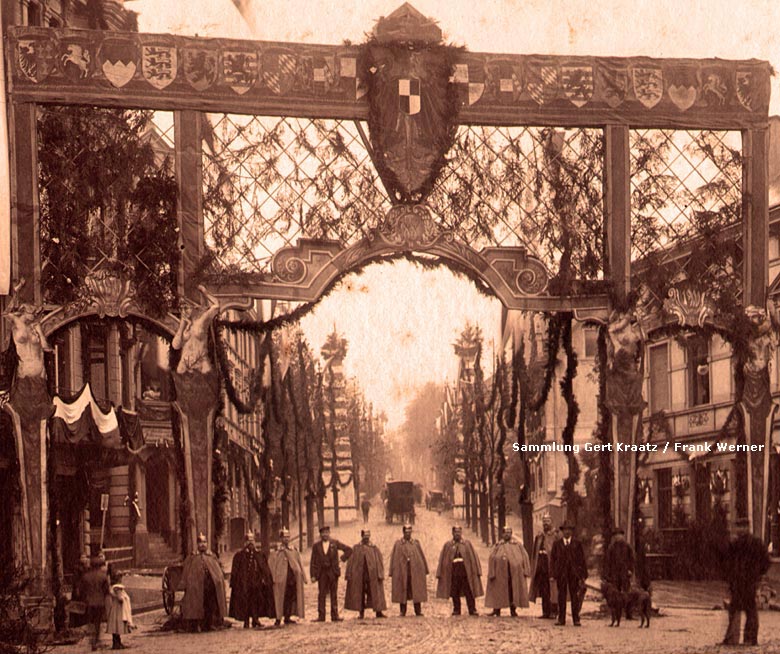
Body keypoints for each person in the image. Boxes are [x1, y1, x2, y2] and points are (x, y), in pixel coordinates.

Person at [722, 518, 771, 646]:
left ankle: (749, 638)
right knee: (735, 609)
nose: (740, 530)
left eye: (743, 527)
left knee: (750, 609)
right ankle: (733, 638)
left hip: (748, 581)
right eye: (738, 527)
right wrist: (730, 576)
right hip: (737, 582)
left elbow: (766, 561)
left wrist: (756, 574)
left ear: (747, 528)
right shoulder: (734, 545)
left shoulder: (755, 544)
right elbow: (727, 562)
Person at [179, 532, 227, 632]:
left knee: (210, 604)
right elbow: (187, 573)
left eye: (204, 542)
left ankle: (209, 623)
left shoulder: (211, 557)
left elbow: (218, 572)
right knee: (197, 604)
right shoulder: (192, 557)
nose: (203, 544)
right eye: (200, 542)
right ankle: (197, 624)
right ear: (197, 544)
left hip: (209, 585)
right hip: (196, 586)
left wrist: (218, 581)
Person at [436, 525, 483, 616]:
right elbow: (443, 559)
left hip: (465, 571)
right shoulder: (448, 545)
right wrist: (440, 572)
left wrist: (476, 570)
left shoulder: (467, 544)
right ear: (452, 533)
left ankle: (472, 609)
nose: (457, 534)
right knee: (454, 591)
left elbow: (473, 558)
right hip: (453, 571)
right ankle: (456, 609)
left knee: (469, 590)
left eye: (459, 532)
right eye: (455, 532)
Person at [229, 531, 273, 629]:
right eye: (248, 540)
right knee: (245, 602)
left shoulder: (259, 554)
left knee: (256, 601)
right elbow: (235, 571)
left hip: (257, 582)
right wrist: (234, 583)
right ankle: (246, 620)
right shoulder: (239, 556)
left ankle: (255, 619)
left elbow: (264, 568)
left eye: (252, 540)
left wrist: (266, 579)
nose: (250, 542)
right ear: (245, 542)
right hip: (244, 583)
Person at [485, 527, 531, 617]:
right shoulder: (498, 545)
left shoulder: (517, 545)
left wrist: (525, 570)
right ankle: (496, 609)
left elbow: (525, 556)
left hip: (513, 573)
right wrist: (492, 571)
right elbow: (491, 557)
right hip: (500, 573)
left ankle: (513, 610)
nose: (507, 534)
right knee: (498, 591)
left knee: (512, 591)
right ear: (502, 534)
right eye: (506, 533)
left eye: (509, 532)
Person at [310, 525, 352, 622]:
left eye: (327, 533)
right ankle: (321, 616)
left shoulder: (335, 543)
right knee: (321, 594)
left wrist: (341, 559)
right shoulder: (316, 546)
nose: (325, 535)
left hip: (333, 572)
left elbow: (349, 550)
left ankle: (335, 615)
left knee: (334, 594)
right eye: (323, 533)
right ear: (320, 534)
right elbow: (313, 561)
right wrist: (313, 575)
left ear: (329, 533)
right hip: (322, 573)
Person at [550, 521, 588, 626]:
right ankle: (561, 619)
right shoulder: (557, 544)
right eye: (565, 530)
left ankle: (576, 618)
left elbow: (582, 559)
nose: (567, 532)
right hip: (561, 573)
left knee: (574, 596)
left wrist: (583, 574)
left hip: (574, 574)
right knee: (561, 596)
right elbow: (553, 560)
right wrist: (552, 574)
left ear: (571, 531)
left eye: (569, 530)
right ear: (562, 531)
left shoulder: (577, 544)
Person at [344, 529, 387, 619]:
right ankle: (361, 612)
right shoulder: (356, 548)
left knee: (375, 592)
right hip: (360, 575)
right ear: (362, 536)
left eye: (368, 536)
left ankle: (378, 612)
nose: (366, 538)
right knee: (360, 593)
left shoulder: (374, 548)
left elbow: (379, 561)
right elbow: (350, 562)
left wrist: (380, 573)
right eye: (365, 536)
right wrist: (349, 574)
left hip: (372, 575)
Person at [269, 528, 307, 627]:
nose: (286, 539)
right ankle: (278, 618)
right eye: (284, 537)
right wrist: (272, 577)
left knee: (291, 598)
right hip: (280, 578)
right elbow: (272, 564)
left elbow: (299, 563)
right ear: (281, 538)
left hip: (292, 578)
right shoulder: (277, 551)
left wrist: (303, 576)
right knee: (280, 598)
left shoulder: (294, 550)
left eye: (287, 537)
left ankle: (287, 616)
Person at [389, 524, 429, 616]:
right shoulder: (398, 544)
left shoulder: (415, 543)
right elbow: (393, 558)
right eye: (406, 532)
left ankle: (418, 610)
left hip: (414, 571)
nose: (408, 534)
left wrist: (424, 569)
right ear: (403, 532)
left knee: (416, 589)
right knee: (403, 589)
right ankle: (403, 610)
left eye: (409, 532)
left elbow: (421, 556)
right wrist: (392, 571)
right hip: (403, 571)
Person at [530, 513, 559, 618]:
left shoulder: (555, 536)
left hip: (551, 564)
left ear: (551, 522)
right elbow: (535, 551)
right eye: (544, 521)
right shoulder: (539, 536)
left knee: (553, 589)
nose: (545, 523)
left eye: (548, 521)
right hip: (541, 563)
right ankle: (545, 611)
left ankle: (554, 611)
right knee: (544, 589)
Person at [79, 552, 109, 651]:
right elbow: (106, 590)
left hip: (89, 602)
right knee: (98, 622)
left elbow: (82, 590)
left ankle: (92, 640)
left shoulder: (85, 576)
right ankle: (96, 639)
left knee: (90, 622)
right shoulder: (103, 576)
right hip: (100, 602)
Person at [603, 527, 635, 618]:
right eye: (616, 535)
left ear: (623, 536)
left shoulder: (627, 546)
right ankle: (617, 613)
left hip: (625, 573)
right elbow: (607, 561)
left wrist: (630, 570)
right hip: (615, 574)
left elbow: (632, 559)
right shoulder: (611, 547)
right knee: (615, 594)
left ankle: (629, 613)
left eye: (619, 535)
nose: (617, 537)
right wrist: (607, 574)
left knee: (627, 593)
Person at [105, 570, 133, 650]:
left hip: (114, 608)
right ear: (119, 578)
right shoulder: (118, 587)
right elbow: (120, 598)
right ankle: (116, 644)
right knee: (117, 625)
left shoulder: (113, 587)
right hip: (118, 609)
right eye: (121, 577)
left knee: (115, 626)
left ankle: (117, 642)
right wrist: (124, 598)